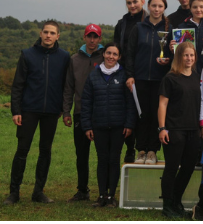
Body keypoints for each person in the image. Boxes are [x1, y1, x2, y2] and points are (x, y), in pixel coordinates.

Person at [6, 20, 71, 205]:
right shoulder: (27, 54)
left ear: (58, 36)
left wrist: (62, 108)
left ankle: (38, 192)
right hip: (28, 110)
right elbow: (18, 85)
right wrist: (16, 110)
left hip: (51, 111)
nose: (48, 36)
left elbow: (66, 85)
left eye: (52, 33)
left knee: (45, 151)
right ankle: (14, 193)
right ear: (40, 34)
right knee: (22, 151)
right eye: (45, 32)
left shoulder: (64, 57)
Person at [80, 43, 136, 207]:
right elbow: (86, 102)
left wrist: (129, 124)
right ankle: (102, 195)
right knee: (102, 160)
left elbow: (130, 103)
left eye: (115, 54)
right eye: (109, 53)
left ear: (119, 57)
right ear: (103, 54)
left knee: (114, 160)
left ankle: (111, 196)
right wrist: (87, 126)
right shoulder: (93, 76)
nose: (111, 57)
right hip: (99, 125)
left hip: (119, 126)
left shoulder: (124, 75)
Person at [126, 0, 174, 166]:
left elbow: (173, 54)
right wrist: (130, 75)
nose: (156, 9)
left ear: (164, 8)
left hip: (160, 79)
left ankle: (153, 151)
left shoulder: (169, 29)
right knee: (141, 115)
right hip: (139, 79)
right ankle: (141, 150)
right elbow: (130, 53)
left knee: (156, 115)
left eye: (160, 6)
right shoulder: (138, 28)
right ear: (148, 7)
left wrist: (169, 57)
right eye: (154, 6)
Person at [158, 41, 203, 219]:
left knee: (188, 168)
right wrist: (162, 128)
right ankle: (167, 205)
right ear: (179, 56)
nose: (189, 58)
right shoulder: (170, 78)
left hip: (193, 130)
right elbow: (162, 104)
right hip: (174, 129)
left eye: (192, 55)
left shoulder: (195, 76)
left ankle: (176, 201)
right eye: (186, 55)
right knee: (171, 168)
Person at [61, 24, 106, 202]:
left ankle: (105, 191)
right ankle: (82, 189)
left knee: (103, 155)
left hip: (102, 112)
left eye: (96, 37)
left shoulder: (106, 57)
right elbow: (68, 87)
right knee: (82, 154)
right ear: (84, 37)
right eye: (89, 36)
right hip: (80, 112)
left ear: (100, 39)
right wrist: (66, 111)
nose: (92, 40)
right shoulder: (74, 60)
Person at [113, 0, 145, 164]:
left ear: (143, 2)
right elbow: (117, 47)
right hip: (125, 71)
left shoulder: (148, 20)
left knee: (142, 112)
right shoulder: (122, 23)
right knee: (127, 109)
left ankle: (143, 148)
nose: (132, 5)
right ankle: (129, 147)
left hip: (144, 72)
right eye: (129, 3)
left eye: (135, 2)